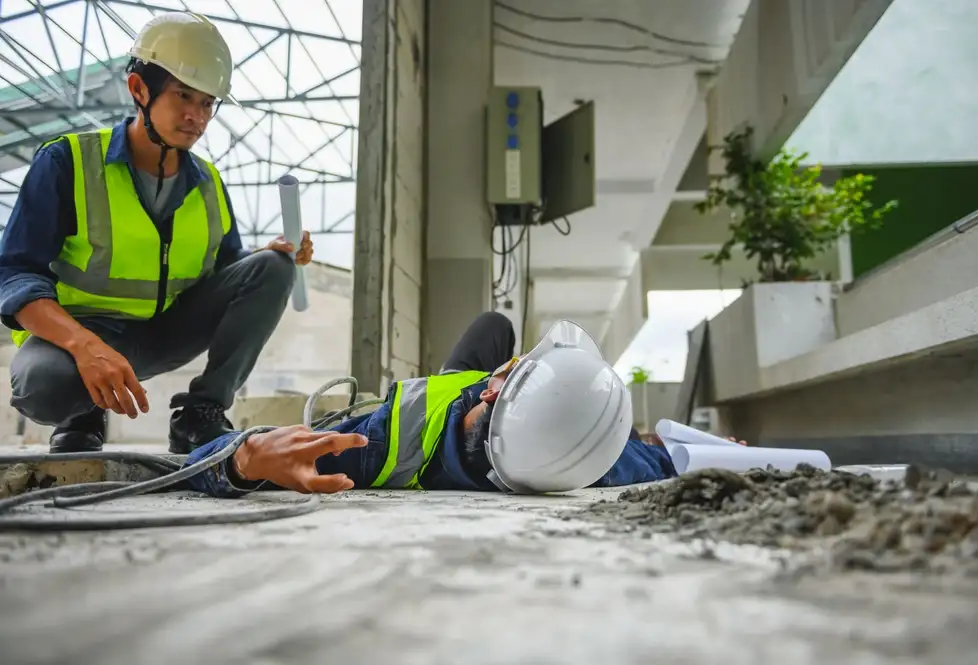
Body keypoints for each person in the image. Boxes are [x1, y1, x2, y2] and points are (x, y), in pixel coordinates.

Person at [0, 12, 312, 455]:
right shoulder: (67, 163)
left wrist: (269, 255)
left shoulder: (208, 183)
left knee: (273, 266)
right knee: (43, 387)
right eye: (183, 95)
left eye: (207, 103)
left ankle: (199, 414)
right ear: (139, 89)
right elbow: (14, 273)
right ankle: (81, 414)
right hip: (79, 337)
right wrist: (85, 345)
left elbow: (226, 271)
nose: (196, 116)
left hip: (164, 333)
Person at [183, 312, 681, 497]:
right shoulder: (580, 464)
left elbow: (196, 464)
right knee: (494, 328)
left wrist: (245, 459)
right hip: (471, 417)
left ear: (492, 388)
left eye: (516, 367)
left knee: (493, 325)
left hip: (443, 408)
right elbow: (654, 459)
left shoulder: (371, 448)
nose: (509, 363)